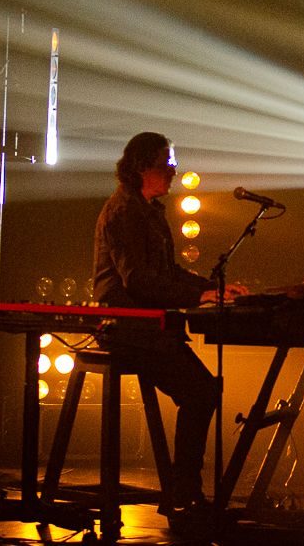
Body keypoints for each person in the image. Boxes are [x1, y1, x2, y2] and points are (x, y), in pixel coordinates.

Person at [92, 131, 226, 530]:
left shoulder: (151, 211)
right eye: (166, 162)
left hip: (150, 328)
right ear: (141, 167)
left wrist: (209, 289)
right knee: (201, 391)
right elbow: (138, 282)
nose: (172, 170)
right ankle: (182, 494)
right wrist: (197, 297)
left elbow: (166, 274)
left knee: (202, 391)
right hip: (128, 329)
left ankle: (182, 491)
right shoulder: (123, 212)